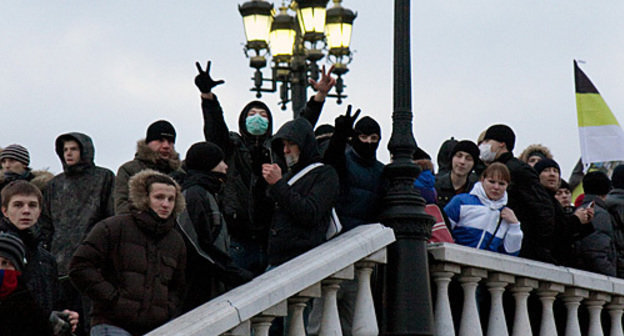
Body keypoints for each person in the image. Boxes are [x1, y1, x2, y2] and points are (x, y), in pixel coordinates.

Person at [196, 60, 335, 275]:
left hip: (271, 237)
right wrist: (208, 97)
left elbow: (302, 124)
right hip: (238, 238)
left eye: (262, 115)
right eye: (252, 115)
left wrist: (319, 97)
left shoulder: (279, 148)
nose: (257, 119)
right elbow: (215, 128)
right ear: (243, 122)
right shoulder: (231, 146)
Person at [70, 170, 186, 336]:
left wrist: (166, 310)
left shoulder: (176, 241)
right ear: (144, 198)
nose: (166, 204)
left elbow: (178, 286)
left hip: (156, 329)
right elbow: (79, 266)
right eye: (159, 197)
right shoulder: (114, 227)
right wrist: (113, 299)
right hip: (111, 324)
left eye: (171, 199)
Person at [311, 106, 384, 336]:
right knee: (321, 321)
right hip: (334, 246)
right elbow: (331, 164)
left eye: (374, 138)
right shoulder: (344, 160)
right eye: (363, 137)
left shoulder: (382, 172)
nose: (369, 142)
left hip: (361, 253)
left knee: (354, 321)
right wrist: (340, 136)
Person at [38, 132, 115, 334]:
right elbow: (45, 224)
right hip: (60, 265)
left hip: (93, 264)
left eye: (73, 148)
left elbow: (110, 218)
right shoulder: (54, 185)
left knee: (91, 321)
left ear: (85, 150)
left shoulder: (104, 177)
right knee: (66, 324)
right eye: (65, 150)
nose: (68, 153)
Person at [177, 141, 252, 313]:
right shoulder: (194, 195)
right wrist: (231, 272)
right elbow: (195, 245)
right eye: (220, 161)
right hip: (198, 287)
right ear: (207, 163)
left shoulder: (208, 192)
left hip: (212, 283)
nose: (226, 166)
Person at [0, 181, 79, 335]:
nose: (26, 211)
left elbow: (55, 300)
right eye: (18, 205)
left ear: (40, 210)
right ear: (4, 211)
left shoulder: (46, 258)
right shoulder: (3, 250)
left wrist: (66, 316)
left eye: (32, 205)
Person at [262, 117, 339, 267]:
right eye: (283, 145)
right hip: (276, 259)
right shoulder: (286, 176)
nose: (286, 150)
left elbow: (310, 213)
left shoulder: (325, 174)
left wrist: (278, 185)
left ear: (304, 145)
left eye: (291, 144)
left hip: (303, 259)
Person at [479, 124, 556, 263]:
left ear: (501, 144)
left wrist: (535, 245)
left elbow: (543, 208)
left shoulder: (518, 170)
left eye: (487, 142)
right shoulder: (492, 169)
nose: (483, 146)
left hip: (521, 248)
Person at [443, 163, 523, 255]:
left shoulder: (507, 215)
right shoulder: (461, 202)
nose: (496, 187)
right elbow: (442, 231)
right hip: (454, 260)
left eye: (501, 184)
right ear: (482, 180)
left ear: (507, 186)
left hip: (486, 266)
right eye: (492, 182)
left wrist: (515, 226)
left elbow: (511, 253)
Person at [533, 159, 594, 267]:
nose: (552, 174)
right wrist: (575, 220)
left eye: (555, 171)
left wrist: (584, 222)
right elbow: (551, 233)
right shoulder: (537, 200)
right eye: (546, 170)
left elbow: (567, 238)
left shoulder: (553, 203)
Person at [113, 120, 181, 214]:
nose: (166, 146)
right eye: (160, 140)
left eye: (170, 142)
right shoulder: (129, 170)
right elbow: (121, 206)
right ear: (148, 143)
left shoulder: (180, 172)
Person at [575, 171, 618, 276]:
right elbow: (596, 252)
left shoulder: (579, 210)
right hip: (597, 277)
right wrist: (613, 277)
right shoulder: (599, 214)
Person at [435, 140, 480, 209]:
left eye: (468, 159)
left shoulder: (476, 190)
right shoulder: (436, 185)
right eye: (459, 156)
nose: (462, 162)